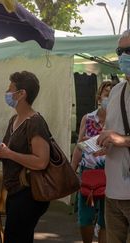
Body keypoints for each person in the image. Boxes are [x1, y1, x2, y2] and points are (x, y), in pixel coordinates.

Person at [0, 71, 50, 243]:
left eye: (10, 89)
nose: (7, 93)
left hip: (30, 193)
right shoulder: (14, 119)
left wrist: (8, 153)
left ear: (22, 94)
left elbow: (41, 161)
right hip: (15, 191)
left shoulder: (35, 122)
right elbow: (10, 151)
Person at [97, 30, 130, 243]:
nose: (123, 56)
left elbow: (120, 136)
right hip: (113, 191)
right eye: (120, 51)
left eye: (129, 50)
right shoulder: (117, 90)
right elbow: (111, 130)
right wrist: (102, 142)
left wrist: (123, 140)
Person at [71, 81, 112, 243]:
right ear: (99, 97)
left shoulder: (118, 121)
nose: (108, 97)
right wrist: (71, 170)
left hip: (110, 174)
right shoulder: (87, 119)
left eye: (112, 94)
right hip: (88, 173)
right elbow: (79, 147)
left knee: (105, 219)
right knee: (84, 217)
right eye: (106, 93)